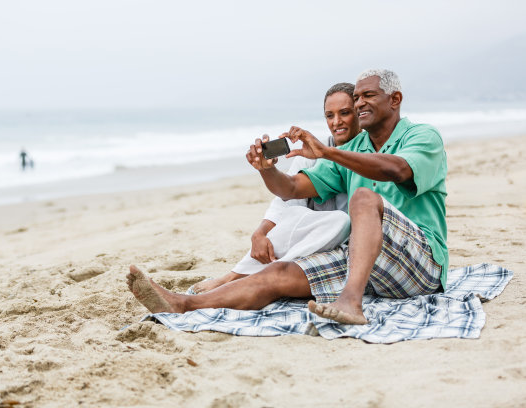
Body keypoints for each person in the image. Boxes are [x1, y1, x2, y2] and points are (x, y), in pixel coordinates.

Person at [127, 69, 448, 326]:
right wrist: (267, 169)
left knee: (363, 199)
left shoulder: (422, 136)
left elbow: (398, 170)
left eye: (368, 95)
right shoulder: (350, 150)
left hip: (420, 265)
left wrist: (328, 151)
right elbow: (292, 189)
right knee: (278, 275)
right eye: (358, 96)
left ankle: (351, 302)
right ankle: (182, 304)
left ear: (395, 99)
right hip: (370, 269)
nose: (361, 102)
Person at [192, 82, 361, 294]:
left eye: (344, 113)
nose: (336, 122)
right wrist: (260, 233)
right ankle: (234, 276)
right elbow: (287, 199)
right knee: (298, 210)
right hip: (309, 241)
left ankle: (247, 277)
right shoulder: (312, 153)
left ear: (359, 112)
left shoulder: (371, 151)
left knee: (341, 221)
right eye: (329, 115)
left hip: (347, 243)